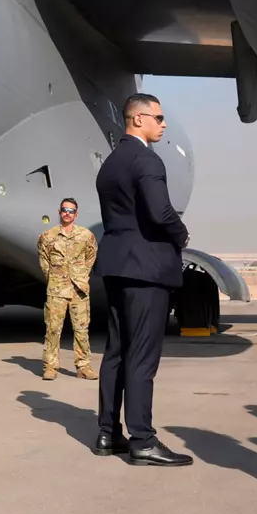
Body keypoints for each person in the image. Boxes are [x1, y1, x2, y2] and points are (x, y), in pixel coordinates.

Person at [92, 93, 192, 467]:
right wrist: (181, 234)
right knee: (142, 356)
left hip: (117, 265)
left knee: (116, 352)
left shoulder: (111, 164)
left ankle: (107, 433)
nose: (164, 124)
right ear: (138, 120)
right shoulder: (147, 160)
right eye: (159, 117)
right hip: (147, 270)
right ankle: (143, 440)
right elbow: (160, 211)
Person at [37, 197, 98, 381]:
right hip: (57, 290)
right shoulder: (48, 236)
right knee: (53, 329)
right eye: (64, 209)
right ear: (59, 212)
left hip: (79, 290)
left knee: (81, 330)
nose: (67, 213)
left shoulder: (86, 235)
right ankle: (50, 366)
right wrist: (56, 279)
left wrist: (81, 275)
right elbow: (44, 262)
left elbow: (91, 256)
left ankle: (83, 366)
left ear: (76, 214)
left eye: (71, 211)